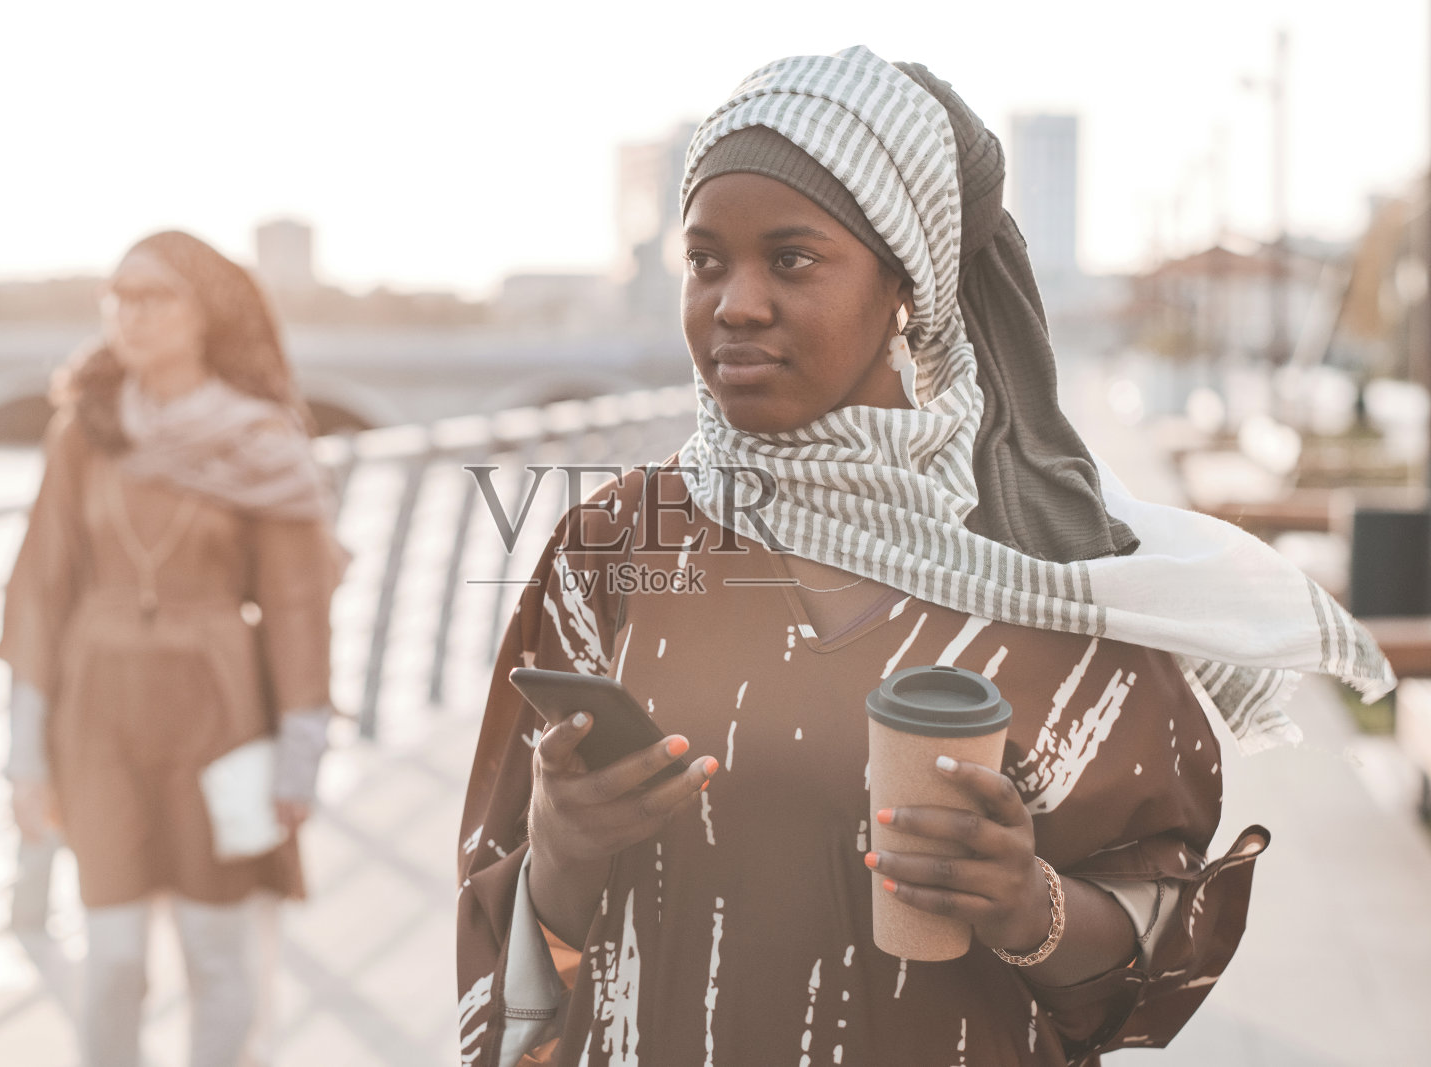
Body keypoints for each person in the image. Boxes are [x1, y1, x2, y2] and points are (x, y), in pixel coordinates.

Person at [456, 47, 1395, 1066]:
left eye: (791, 257)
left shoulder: (1046, 568)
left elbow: (1158, 934)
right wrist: (561, 852)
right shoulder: (616, 549)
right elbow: (498, 907)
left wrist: (1024, 903)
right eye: (706, 259)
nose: (733, 302)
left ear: (907, 285)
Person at [0, 230, 341, 1067]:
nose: (132, 314)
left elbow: (298, 605)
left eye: (155, 296)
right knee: (111, 955)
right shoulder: (85, 430)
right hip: (97, 721)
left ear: (205, 312)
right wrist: (23, 751)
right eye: (119, 295)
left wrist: (301, 750)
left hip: (221, 719)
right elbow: (40, 591)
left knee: (219, 955)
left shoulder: (261, 441)